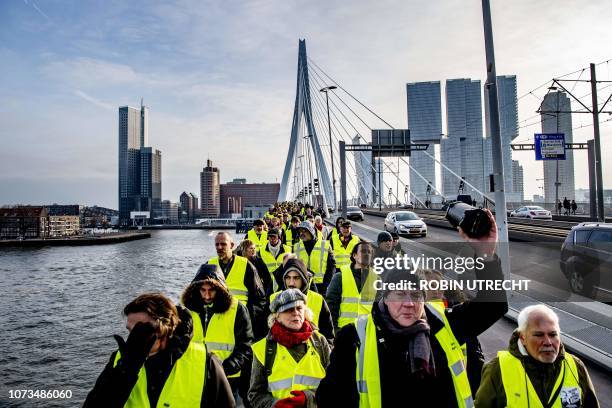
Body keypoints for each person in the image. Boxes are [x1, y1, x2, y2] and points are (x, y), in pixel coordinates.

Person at [317, 209, 508, 407]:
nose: (409, 303)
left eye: (416, 295)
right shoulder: (355, 337)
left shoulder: (443, 323)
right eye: (399, 294)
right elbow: (330, 398)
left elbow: (494, 306)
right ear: (385, 298)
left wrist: (486, 256)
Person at [84, 293, 235, 407]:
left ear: (164, 329)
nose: (134, 338)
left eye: (141, 331)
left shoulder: (205, 362)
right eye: (130, 331)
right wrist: (126, 369)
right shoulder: (121, 359)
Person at [475, 304, 599, 407]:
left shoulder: (576, 367)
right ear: (522, 337)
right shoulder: (497, 369)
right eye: (539, 335)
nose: (548, 342)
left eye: (553, 334)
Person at [182, 264, 254, 406]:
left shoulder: (237, 309)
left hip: (227, 378)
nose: (207, 295)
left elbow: (245, 347)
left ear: (220, 289)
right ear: (196, 289)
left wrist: (223, 369)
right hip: (194, 376)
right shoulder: (186, 310)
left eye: (211, 290)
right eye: (203, 290)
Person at [248, 289, 331, 408]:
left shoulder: (319, 342)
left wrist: (308, 398)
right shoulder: (263, 349)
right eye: (288, 309)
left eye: (299, 308)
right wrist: (275, 405)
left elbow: (334, 385)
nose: (295, 313)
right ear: (277, 316)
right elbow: (255, 395)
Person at [208, 232, 268, 340]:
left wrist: (247, 316)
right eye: (217, 244)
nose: (219, 247)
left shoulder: (246, 265)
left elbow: (260, 299)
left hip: (239, 322)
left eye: (223, 244)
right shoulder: (209, 265)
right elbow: (195, 294)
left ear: (232, 245)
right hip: (215, 320)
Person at [271, 258, 335, 343]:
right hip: (280, 353)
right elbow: (264, 333)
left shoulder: (318, 299)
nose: (291, 283)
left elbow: (328, 335)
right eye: (288, 278)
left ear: (303, 279)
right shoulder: (273, 298)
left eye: (296, 278)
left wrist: (324, 351)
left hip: (312, 353)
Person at [326, 241, 378, 333]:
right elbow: (331, 305)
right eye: (363, 251)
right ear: (354, 256)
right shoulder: (340, 276)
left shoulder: (377, 279)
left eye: (369, 252)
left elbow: (378, 309)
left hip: (367, 332)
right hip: (343, 331)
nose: (367, 254)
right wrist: (333, 330)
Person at [293, 221, 336, 295]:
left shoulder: (325, 245)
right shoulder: (296, 247)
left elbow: (331, 267)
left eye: (304, 231)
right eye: (300, 231)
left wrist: (326, 285)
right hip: (303, 285)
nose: (301, 233)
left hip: (321, 285)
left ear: (311, 231)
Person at [258, 228, 292, 293]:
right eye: (270, 237)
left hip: (283, 282)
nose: (272, 239)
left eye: (274, 237)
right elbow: (259, 267)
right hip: (268, 282)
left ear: (278, 237)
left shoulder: (288, 249)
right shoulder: (261, 250)